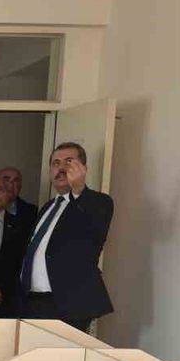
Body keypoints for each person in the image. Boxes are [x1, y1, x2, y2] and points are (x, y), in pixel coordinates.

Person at [17, 142, 114, 331]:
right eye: (56, 163)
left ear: (83, 168)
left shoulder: (98, 202)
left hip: (67, 305)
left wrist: (79, 190)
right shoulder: (48, 207)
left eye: (68, 162)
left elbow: (92, 231)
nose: (61, 168)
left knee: (62, 352)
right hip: (32, 303)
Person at [0, 176, 33, 318]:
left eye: (0, 190)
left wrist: (5, 293)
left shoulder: (23, 227)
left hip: (9, 304)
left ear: (8, 195)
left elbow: (24, 266)